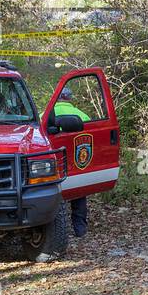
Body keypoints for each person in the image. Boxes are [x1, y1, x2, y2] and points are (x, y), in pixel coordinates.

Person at [51, 86, 91, 238]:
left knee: (53, 198)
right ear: (70, 98)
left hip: (53, 167)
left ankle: (56, 231)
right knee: (79, 195)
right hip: (76, 164)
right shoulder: (83, 116)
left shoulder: (45, 115)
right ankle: (80, 230)